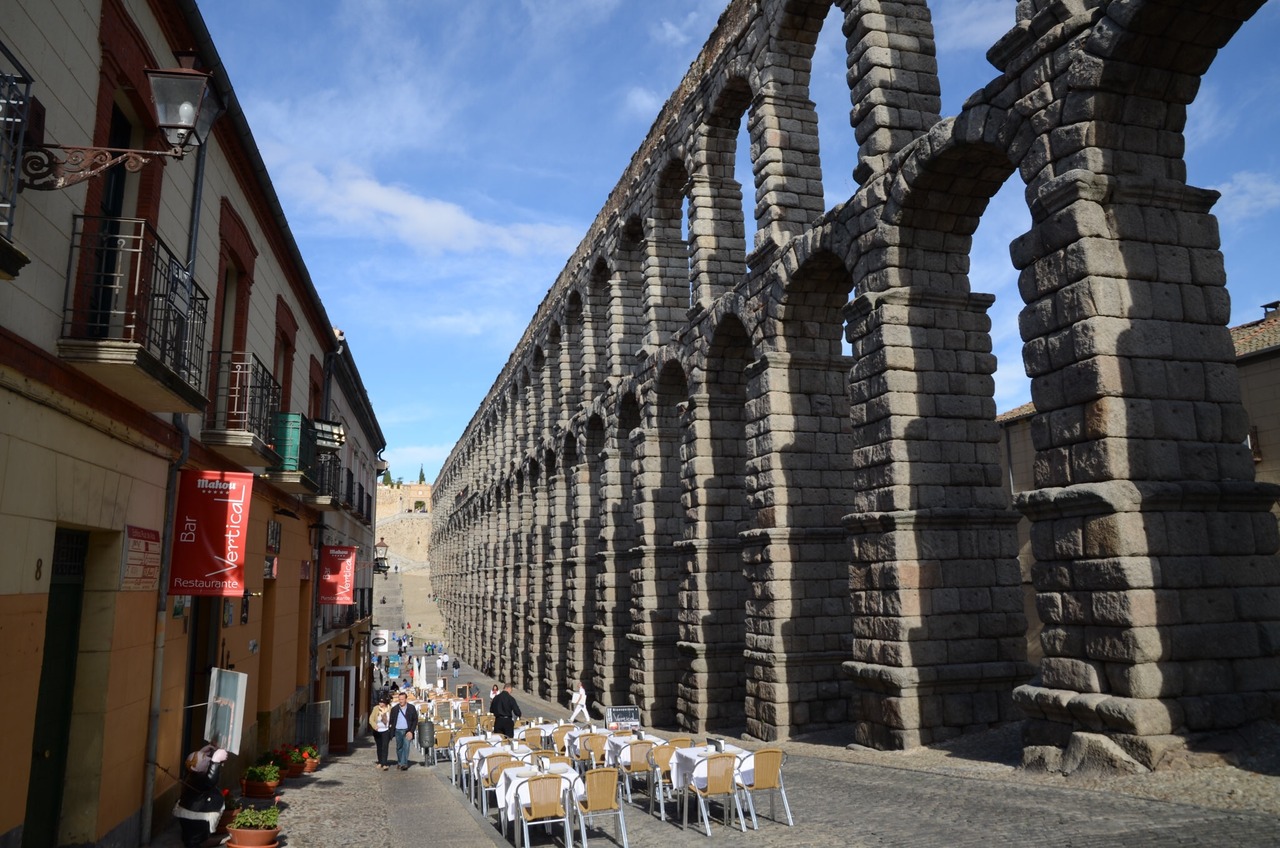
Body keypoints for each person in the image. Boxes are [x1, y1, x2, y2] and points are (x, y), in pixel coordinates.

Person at [173, 742, 228, 847]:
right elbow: (210, 780)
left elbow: (196, 763)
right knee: (196, 832)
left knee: (193, 832)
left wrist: (201, 752)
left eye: (206, 757)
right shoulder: (198, 779)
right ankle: (198, 842)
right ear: (194, 768)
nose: (208, 759)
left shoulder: (192, 775)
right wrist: (215, 761)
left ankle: (199, 840)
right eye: (204, 758)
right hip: (197, 813)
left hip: (194, 810)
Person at [388, 691, 419, 771]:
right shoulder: (395, 709)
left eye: (402, 699)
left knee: (406, 746)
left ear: (406, 699)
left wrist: (411, 731)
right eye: (399, 699)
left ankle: (404, 764)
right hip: (398, 730)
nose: (401, 701)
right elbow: (391, 720)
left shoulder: (411, 708)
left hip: (407, 730)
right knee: (399, 747)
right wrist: (392, 730)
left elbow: (415, 720)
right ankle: (399, 762)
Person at [369, 694, 393, 771]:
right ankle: (380, 762)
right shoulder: (376, 709)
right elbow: (371, 719)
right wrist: (374, 725)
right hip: (377, 730)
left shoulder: (390, 709)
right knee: (379, 746)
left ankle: (385, 763)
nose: (380, 704)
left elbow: (392, 719)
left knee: (385, 746)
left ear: (386, 703)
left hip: (386, 730)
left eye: (382, 702)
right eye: (379, 702)